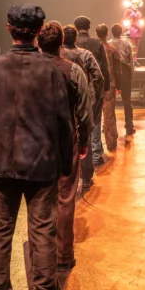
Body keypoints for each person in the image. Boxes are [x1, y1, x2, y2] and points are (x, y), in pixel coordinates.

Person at [0, 5, 71, 290]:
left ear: (8, 29)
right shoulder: (51, 71)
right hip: (42, 165)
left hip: (1, 164)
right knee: (43, 231)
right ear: (39, 29)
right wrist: (66, 160)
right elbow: (63, 120)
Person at [37, 21, 92, 275]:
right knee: (66, 197)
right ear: (61, 43)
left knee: (38, 200)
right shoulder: (73, 70)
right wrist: (83, 142)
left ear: (39, 43)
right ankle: (63, 255)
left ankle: (40, 255)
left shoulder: (28, 70)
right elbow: (84, 112)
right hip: (64, 141)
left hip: (33, 143)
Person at [60, 25, 104, 191]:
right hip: (81, 100)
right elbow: (98, 77)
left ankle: (66, 176)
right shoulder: (85, 54)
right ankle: (86, 177)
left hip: (61, 102)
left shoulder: (56, 55)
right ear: (76, 38)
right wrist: (95, 96)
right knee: (84, 134)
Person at [75, 15, 111, 168]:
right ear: (89, 27)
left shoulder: (72, 43)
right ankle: (96, 154)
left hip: (75, 89)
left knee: (77, 122)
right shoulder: (97, 44)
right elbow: (103, 68)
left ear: (76, 28)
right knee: (96, 121)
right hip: (94, 90)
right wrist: (106, 87)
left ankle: (79, 157)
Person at [109, 23, 136, 135]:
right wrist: (131, 73)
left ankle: (110, 126)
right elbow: (130, 60)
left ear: (111, 32)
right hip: (124, 71)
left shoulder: (108, 44)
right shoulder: (126, 44)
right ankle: (129, 126)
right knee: (127, 100)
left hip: (112, 73)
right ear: (121, 32)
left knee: (110, 101)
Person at [95, 23, 118, 151]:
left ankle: (96, 147)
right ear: (107, 34)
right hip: (110, 86)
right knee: (109, 116)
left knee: (95, 117)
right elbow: (117, 70)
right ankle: (111, 142)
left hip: (96, 86)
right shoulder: (113, 49)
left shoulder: (92, 49)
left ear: (96, 34)